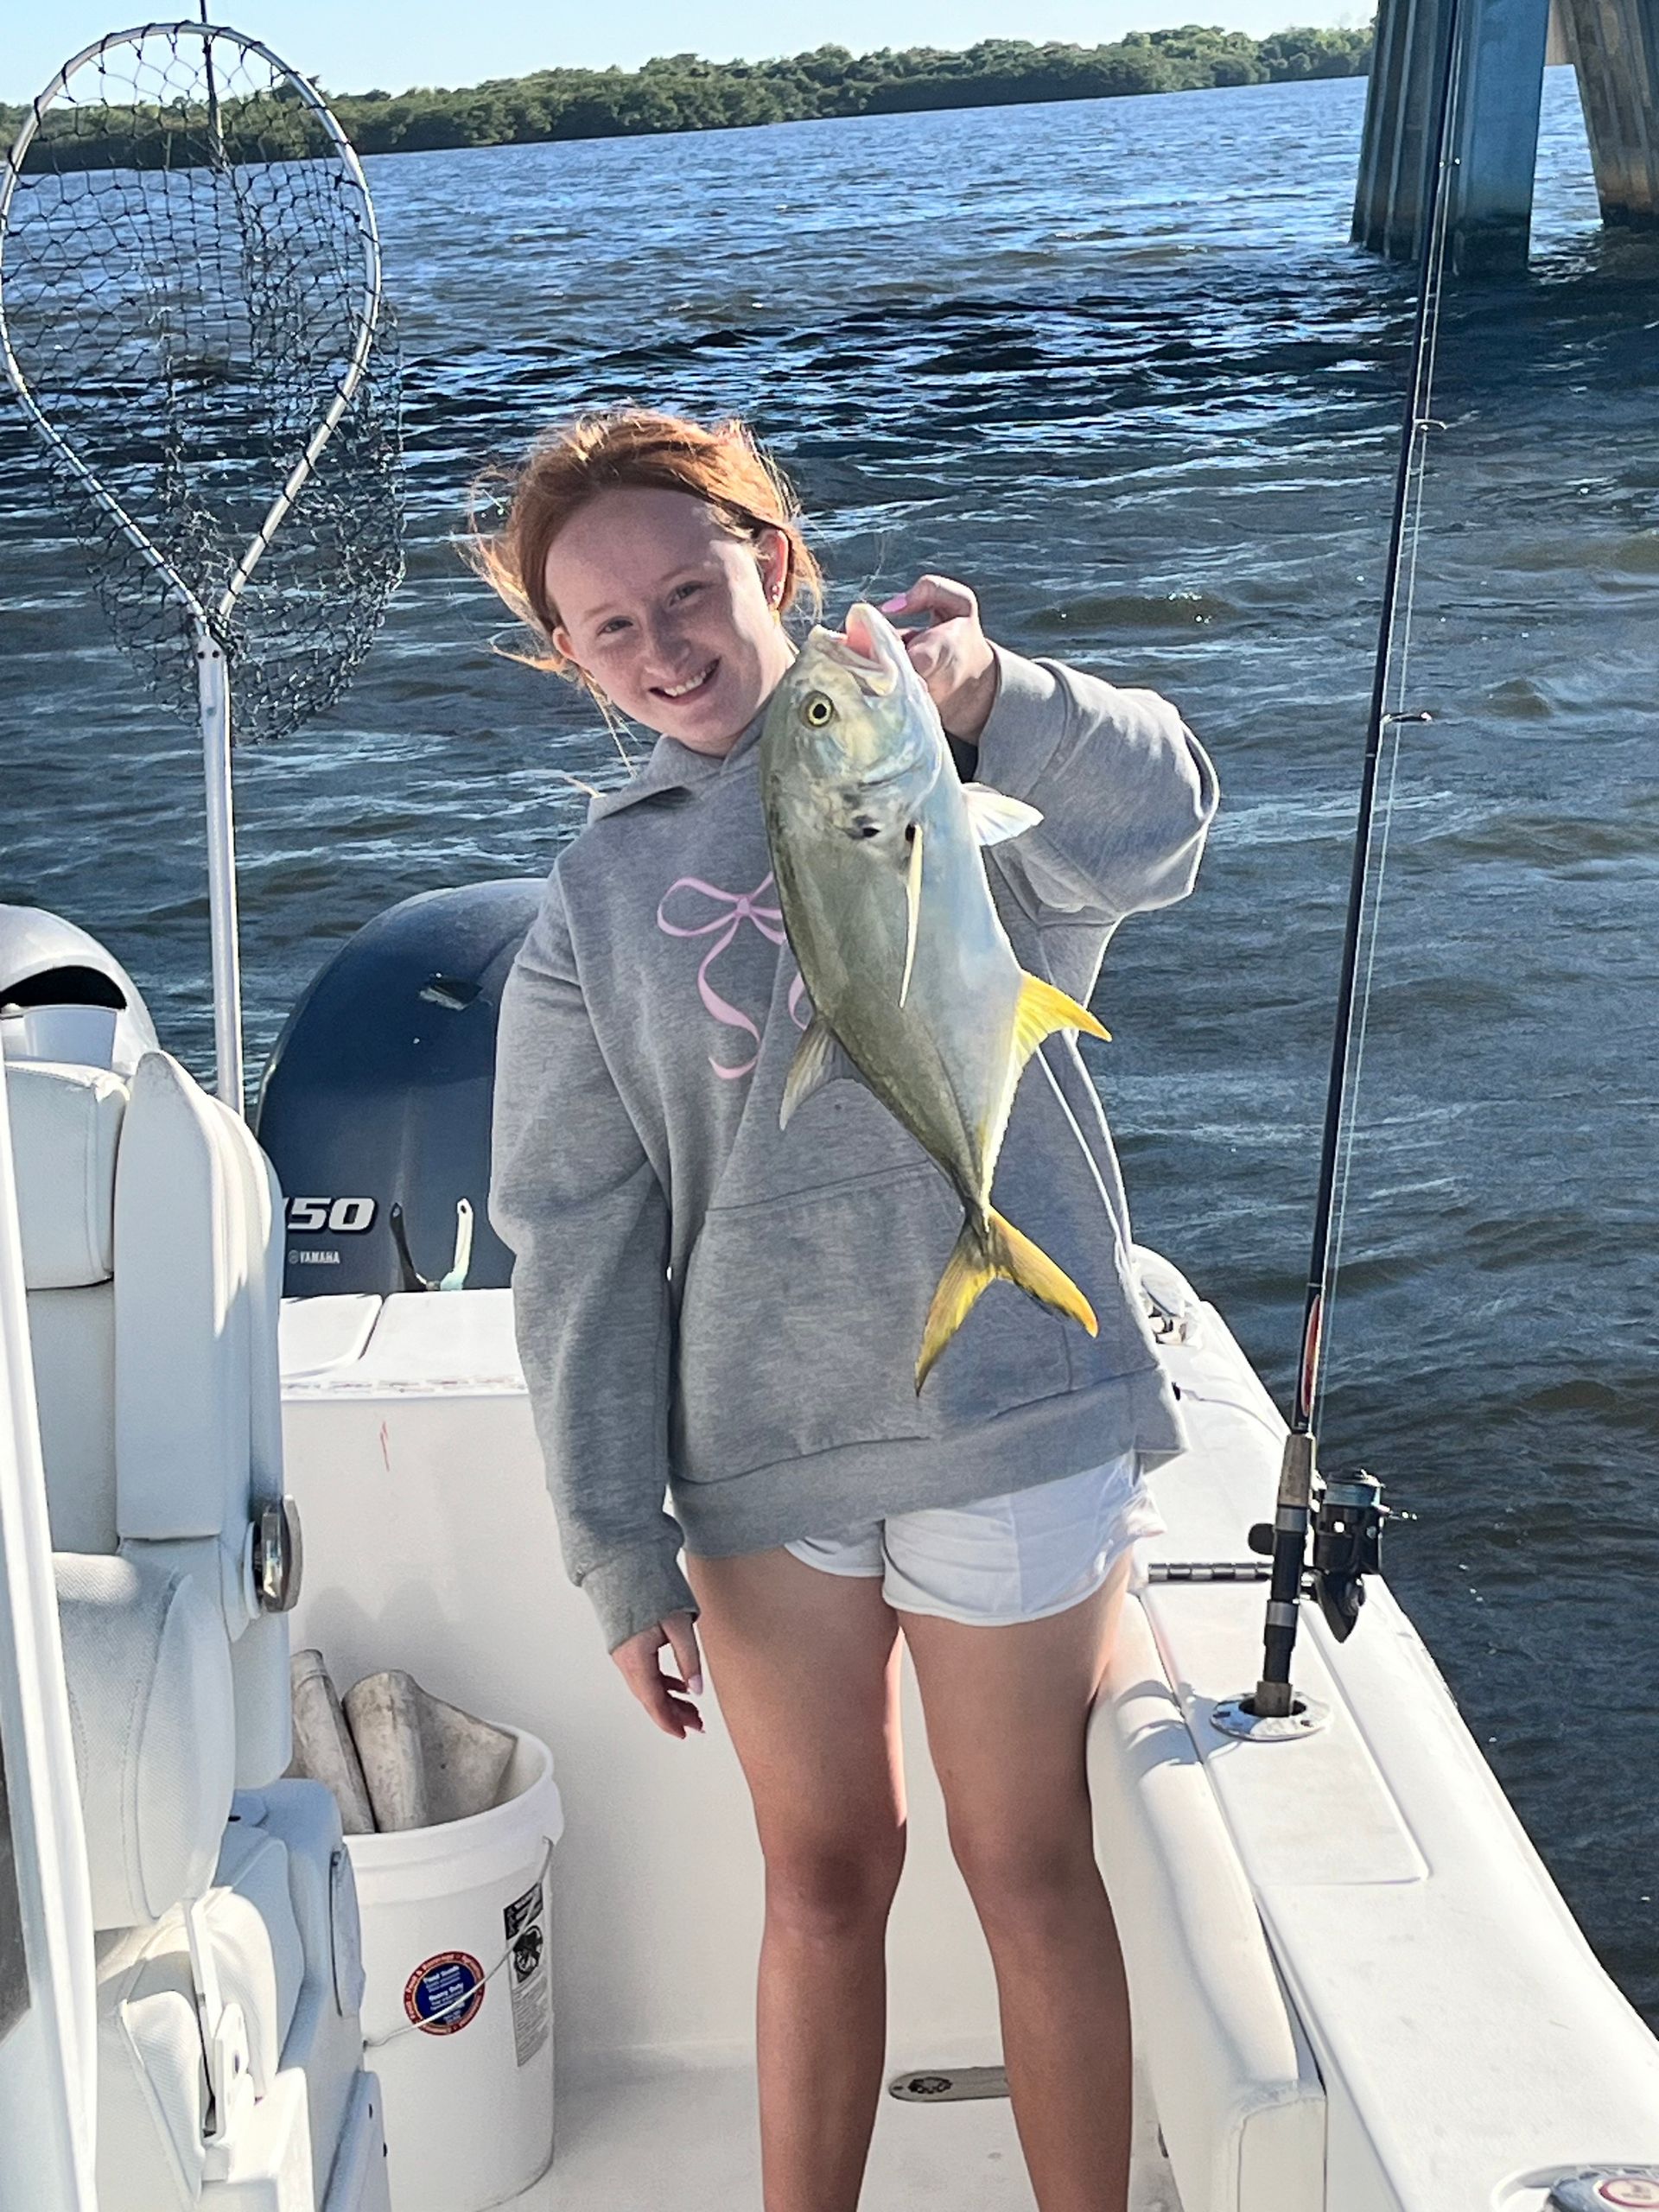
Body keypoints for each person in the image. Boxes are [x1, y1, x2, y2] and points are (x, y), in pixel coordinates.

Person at [480, 407, 1217, 2212]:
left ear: (777, 565)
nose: (666, 645)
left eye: (692, 587)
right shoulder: (588, 895)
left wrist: (993, 697)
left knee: (1025, 1858)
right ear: (567, 662)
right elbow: (571, 1229)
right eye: (611, 628)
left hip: (1004, 1407)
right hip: (760, 1456)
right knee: (817, 1878)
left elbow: (1156, 826)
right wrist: (611, 1545)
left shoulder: (928, 750)